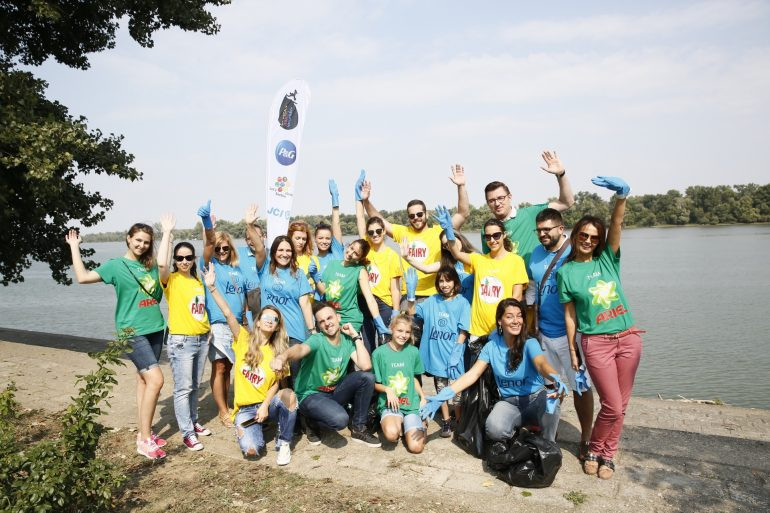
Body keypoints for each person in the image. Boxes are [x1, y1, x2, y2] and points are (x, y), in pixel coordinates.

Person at [558, 176, 644, 480]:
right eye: (583, 235)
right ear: (575, 235)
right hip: (596, 343)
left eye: (594, 238)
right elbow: (570, 315)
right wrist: (573, 350)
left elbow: (617, 225)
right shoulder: (566, 272)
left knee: (622, 406)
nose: (588, 241)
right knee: (612, 404)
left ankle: (608, 454)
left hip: (628, 339)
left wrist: (621, 198)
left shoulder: (607, 260)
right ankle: (594, 448)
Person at [66, 222, 169, 459]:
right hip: (131, 331)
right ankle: (145, 441)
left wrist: (167, 234)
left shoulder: (151, 265)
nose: (142, 245)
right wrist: (74, 246)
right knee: (156, 380)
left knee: (143, 380)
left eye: (146, 242)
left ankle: (144, 432)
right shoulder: (116, 265)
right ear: (128, 238)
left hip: (155, 328)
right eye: (138, 240)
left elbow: (164, 266)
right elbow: (82, 277)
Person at [420, 299, 568, 444]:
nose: (516, 321)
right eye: (509, 316)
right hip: (509, 403)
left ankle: (548, 443)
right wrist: (444, 395)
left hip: (534, 399)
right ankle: (522, 428)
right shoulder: (491, 347)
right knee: (494, 430)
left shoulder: (530, 343)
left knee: (552, 404)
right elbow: (472, 374)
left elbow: (541, 364)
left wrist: (554, 377)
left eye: (519, 316)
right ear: (499, 321)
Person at [203, 265, 296, 465]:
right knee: (252, 451)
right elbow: (228, 313)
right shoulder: (243, 339)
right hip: (245, 409)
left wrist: (265, 406)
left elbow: (276, 384)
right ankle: (255, 428)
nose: (270, 321)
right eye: (266, 317)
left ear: (277, 326)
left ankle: (284, 442)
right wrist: (212, 288)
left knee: (289, 395)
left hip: (267, 405)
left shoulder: (278, 352)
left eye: (275, 319)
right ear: (258, 321)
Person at [527, 208, 594, 460]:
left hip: (571, 336)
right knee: (551, 386)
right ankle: (549, 434)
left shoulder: (575, 251)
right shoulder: (535, 254)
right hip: (544, 334)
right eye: (539, 230)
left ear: (560, 228)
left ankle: (586, 438)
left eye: (547, 229)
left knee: (581, 387)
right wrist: (530, 326)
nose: (543, 234)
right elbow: (532, 290)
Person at [269, 301, 381, 447]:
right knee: (340, 419)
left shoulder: (347, 340)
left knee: (367, 378)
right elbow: (300, 349)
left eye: (329, 318)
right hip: (310, 395)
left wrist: (355, 336)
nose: (327, 323)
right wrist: (282, 357)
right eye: (322, 321)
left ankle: (358, 428)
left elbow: (366, 366)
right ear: (319, 326)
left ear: (338, 317)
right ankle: (309, 420)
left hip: (333, 392)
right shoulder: (317, 340)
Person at [360, 164, 469, 304]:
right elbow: (379, 221)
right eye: (412, 216)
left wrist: (461, 186)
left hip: (434, 294)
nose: (416, 218)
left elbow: (463, 214)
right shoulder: (403, 232)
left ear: (426, 214)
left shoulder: (440, 232)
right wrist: (366, 201)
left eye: (419, 214)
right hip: (409, 294)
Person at [157, 222, 212, 452]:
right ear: (175, 260)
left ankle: (192, 420)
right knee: (183, 388)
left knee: (195, 386)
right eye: (179, 258)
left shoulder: (197, 279)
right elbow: (161, 263)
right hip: (181, 341)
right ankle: (187, 433)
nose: (184, 261)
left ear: (193, 258)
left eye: (188, 257)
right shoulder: (170, 279)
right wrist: (167, 233)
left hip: (201, 338)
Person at [436, 208, 528, 341]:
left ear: (504, 235)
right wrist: (449, 231)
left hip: (502, 330)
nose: (492, 240)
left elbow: (517, 297)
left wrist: (503, 324)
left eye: (496, 235)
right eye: (488, 237)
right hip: (477, 331)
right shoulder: (478, 259)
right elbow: (456, 253)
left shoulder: (516, 261)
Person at [198, 201, 247, 428]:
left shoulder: (236, 269)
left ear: (231, 249)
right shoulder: (209, 265)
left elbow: (243, 297)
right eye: (218, 249)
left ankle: (228, 403)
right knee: (219, 366)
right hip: (218, 323)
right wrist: (207, 226)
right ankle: (223, 411)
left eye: (225, 248)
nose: (221, 252)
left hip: (236, 324)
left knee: (231, 367)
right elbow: (208, 245)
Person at [406, 266, 470, 437]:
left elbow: (464, 330)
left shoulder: (462, 302)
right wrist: (411, 295)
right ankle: (446, 421)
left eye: (448, 280)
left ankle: (459, 420)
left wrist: (457, 351)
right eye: (441, 281)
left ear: (455, 282)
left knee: (457, 393)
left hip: (454, 355)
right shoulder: (432, 301)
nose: (444, 284)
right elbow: (412, 312)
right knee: (441, 390)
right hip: (437, 356)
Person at [481, 151, 575, 266]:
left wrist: (561, 174)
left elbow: (567, 202)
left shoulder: (530, 214)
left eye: (501, 198)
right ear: (487, 203)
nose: (497, 203)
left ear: (509, 197)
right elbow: (489, 261)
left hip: (534, 276)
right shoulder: (487, 230)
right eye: (492, 200)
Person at [309, 239, 392, 350]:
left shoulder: (360, 271)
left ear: (360, 258)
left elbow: (370, 299)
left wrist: (379, 323)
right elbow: (324, 291)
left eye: (356, 254)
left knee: (347, 356)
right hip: (331, 318)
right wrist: (315, 277)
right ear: (348, 245)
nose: (350, 253)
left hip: (349, 320)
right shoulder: (332, 264)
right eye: (351, 248)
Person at [258, 235, 315, 384]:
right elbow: (258, 248)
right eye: (280, 250)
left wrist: (312, 330)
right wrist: (250, 226)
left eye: (288, 250)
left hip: (293, 333)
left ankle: (297, 400)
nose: (284, 254)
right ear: (273, 252)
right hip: (269, 331)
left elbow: (305, 304)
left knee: (295, 378)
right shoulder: (264, 269)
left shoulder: (298, 274)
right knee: (272, 377)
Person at [355, 180, 402, 351]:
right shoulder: (365, 248)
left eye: (378, 231)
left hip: (384, 304)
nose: (374, 234)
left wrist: (396, 311)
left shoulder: (392, 255)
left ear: (384, 232)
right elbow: (360, 218)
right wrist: (360, 199)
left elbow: (395, 288)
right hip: (365, 301)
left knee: (385, 346)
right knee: (367, 345)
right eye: (371, 232)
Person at [372, 314, 427, 453]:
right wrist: (388, 390)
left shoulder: (413, 351)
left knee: (416, 448)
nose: (403, 335)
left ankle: (418, 422)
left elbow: (413, 378)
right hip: (390, 405)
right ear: (392, 329)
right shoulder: (379, 353)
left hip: (410, 404)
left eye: (407, 332)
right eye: (400, 331)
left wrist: (423, 397)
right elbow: (375, 384)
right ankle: (396, 422)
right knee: (392, 435)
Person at [400, 230, 475, 305]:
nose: (450, 245)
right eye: (446, 244)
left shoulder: (476, 257)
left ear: (459, 238)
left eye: (451, 240)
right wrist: (407, 257)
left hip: (474, 307)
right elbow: (426, 269)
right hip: (455, 307)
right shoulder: (449, 262)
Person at [313, 179, 345, 301]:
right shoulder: (313, 261)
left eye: (327, 238)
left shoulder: (337, 252)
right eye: (320, 238)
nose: (324, 241)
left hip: (342, 303)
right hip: (322, 304)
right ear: (315, 239)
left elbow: (336, 224)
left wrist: (335, 200)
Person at [239, 206, 266, 320]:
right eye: (249, 238)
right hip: (248, 306)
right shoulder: (238, 254)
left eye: (257, 237)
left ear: (264, 237)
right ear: (245, 240)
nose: (253, 241)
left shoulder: (275, 254)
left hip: (267, 303)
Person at [287, 220, 319, 292]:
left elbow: (319, 285)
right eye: (297, 238)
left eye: (304, 239)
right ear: (290, 238)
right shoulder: (285, 259)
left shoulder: (313, 259)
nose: (301, 242)